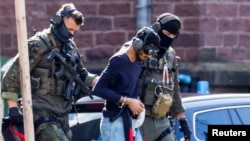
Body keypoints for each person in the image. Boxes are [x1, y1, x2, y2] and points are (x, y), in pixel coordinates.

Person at [1, 3, 99, 141]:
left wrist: (96, 81)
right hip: (40, 114)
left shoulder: (70, 47)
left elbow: (81, 74)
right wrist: (13, 109)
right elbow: (11, 76)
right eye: (69, 29)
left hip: (62, 115)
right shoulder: (38, 44)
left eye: (74, 31)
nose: (71, 34)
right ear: (58, 21)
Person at [92, 26, 160, 141]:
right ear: (138, 44)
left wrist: (136, 100)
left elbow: (127, 86)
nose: (149, 56)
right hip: (115, 123)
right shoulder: (119, 60)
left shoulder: (139, 60)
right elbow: (99, 89)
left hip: (129, 121)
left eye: (152, 53)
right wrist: (128, 101)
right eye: (148, 51)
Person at [138, 13, 192, 141]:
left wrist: (182, 120)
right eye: (167, 34)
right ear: (157, 29)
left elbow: (174, 88)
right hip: (140, 119)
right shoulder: (140, 48)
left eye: (174, 36)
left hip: (163, 121)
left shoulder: (170, 54)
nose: (170, 38)